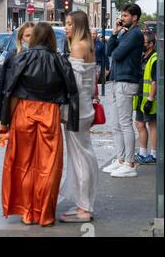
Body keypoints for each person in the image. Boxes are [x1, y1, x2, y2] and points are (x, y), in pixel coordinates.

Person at [0, 22, 79, 227]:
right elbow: (73, 91)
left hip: (24, 112)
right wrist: (73, 122)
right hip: (49, 113)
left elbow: (10, 91)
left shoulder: (21, 57)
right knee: (49, 165)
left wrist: (5, 120)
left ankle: (27, 211)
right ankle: (45, 213)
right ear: (52, 38)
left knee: (22, 163)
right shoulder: (60, 60)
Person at [60, 11, 99, 223]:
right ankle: (84, 204)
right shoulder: (89, 45)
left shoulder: (77, 47)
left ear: (78, 26)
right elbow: (91, 83)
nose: (66, 28)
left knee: (80, 158)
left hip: (77, 110)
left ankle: (84, 207)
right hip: (84, 108)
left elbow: (71, 83)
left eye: (68, 24)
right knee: (84, 155)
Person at [103, 4, 144, 178]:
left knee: (125, 123)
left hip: (126, 81)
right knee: (116, 123)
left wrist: (117, 42)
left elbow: (117, 55)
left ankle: (129, 162)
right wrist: (114, 33)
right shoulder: (125, 33)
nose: (122, 18)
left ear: (134, 17)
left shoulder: (135, 34)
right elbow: (109, 51)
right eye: (122, 15)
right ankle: (121, 159)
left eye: (125, 16)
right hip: (118, 79)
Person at [0, 21, 35, 132]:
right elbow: (3, 86)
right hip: (17, 110)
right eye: (27, 35)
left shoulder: (41, 58)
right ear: (21, 39)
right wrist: (0, 116)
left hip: (35, 112)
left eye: (34, 35)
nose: (31, 39)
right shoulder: (13, 56)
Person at [133, 31, 158, 165]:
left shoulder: (154, 59)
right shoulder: (143, 57)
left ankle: (153, 154)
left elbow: (154, 81)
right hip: (141, 98)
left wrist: (150, 99)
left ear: (151, 44)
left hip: (149, 100)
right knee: (140, 124)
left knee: (152, 125)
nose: (142, 44)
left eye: (144, 42)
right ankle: (143, 153)